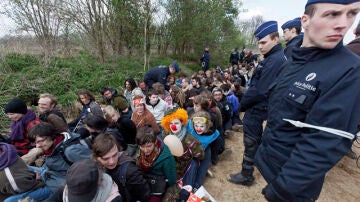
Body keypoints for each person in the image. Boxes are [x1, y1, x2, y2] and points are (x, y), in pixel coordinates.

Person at [255, 1, 360, 201]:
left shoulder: (351, 70)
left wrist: (282, 191)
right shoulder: (293, 59)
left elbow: (324, 142)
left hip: (292, 186)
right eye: (332, 14)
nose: (343, 24)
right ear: (306, 21)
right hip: (271, 163)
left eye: (352, 14)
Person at [229, 20, 287, 186]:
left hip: (259, 106)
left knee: (251, 141)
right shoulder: (272, 57)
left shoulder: (275, 60)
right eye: (258, 43)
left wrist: (241, 106)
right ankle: (255, 164)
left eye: (263, 42)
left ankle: (247, 175)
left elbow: (259, 90)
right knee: (254, 140)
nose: (260, 46)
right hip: (261, 105)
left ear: (276, 39)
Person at [27, 122, 92, 199]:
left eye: (40, 141)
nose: (37, 146)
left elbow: (92, 167)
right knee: (24, 167)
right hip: (50, 174)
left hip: (59, 184)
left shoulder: (70, 151)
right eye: (35, 142)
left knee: (12, 200)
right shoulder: (52, 146)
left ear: (51, 136)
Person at [160, 108, 204, 201]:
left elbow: (201, 155)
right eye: (171, 124)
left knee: (194, 163)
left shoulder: (190, 140)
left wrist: (189, 153)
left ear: (182, 123)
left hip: (185, 168)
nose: (173, 126)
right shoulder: (165, 135)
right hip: (170, 168)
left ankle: (185, 193)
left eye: (176, 123)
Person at [92, 132, 151, 202]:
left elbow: (145, 195)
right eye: (106, 159)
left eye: (115, 155)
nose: (112, 161)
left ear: (118, 150)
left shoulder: (131, 171)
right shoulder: (93, 169)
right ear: (97, 158)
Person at [136, 126, 176, 202]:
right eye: (142, 146)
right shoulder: (142, 148)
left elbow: (172, 180)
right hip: (143, 181)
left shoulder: (167, 158)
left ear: (155, 142)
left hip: (156, 187)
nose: (145, 150)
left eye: (149, 146)